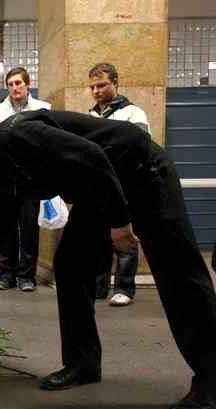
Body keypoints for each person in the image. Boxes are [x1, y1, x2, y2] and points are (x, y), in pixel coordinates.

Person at [0, 111, 216, 409]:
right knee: (70, 265)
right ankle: (83, 363)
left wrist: (119, 222)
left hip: (141, 173)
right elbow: (1, 222)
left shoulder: (15, 136)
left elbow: (92, 155)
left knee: (179, 274)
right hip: (97, 191)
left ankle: (211, 381)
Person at [88, 62, 151, 307]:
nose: (96, 91)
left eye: (102, 85)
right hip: (100, 187)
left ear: (115, 83)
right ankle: (99, 285)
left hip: (126, 185)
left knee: (124, 238)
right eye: (92, 86)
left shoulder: (133, 114)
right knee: (100, 239)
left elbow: (139, 149)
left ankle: (124, 287)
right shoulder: (91, 115)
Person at [0, 67, 51, 292]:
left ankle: (26, 276)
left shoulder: (43, 109)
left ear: (27, 84)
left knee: (29, 229)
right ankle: (7, 274)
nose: (15, 87)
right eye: (11, 84)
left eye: (18, 83)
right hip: (6, 180)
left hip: (31, 180)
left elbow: (50, 144)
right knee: (7, 229)